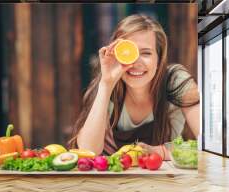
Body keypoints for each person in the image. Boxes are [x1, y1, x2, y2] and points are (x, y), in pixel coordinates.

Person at [68, 14, 200, 160]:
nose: (136, 62)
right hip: (115, 177)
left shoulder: (175, 80)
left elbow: (208, 144)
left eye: (146, 53)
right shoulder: (107, 85)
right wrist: (106, 84)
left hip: (164, 177)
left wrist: (161, 152)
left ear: (159, 58)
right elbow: (88, 151)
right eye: (129, 52)